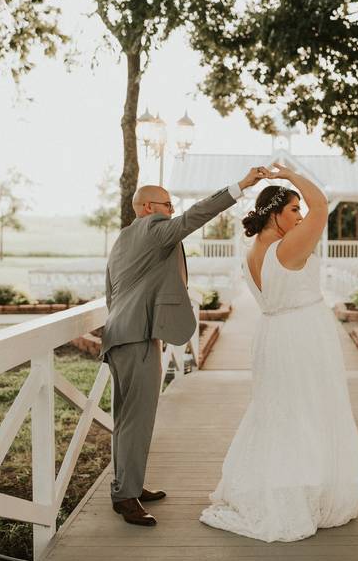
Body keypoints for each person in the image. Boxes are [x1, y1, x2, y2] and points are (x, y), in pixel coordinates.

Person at [199, 163, 358, 542]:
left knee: (278, 410)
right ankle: (301, 493)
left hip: (273, 333)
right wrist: (290, 176)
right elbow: (322, 206)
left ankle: (283, 482)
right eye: (294, 209)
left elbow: (313, 211)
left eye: (299, 211)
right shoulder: (287, 247)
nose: (301, 215)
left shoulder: (252, 251)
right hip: (302, 334)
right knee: (309, 410)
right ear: (274, 213)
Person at [101, 166, 271, 527]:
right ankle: (126, 497)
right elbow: (196, 216)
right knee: (137, 419)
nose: (172, 209)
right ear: (148, 208)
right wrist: (239, 185)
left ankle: (128, 485)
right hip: (137, 336)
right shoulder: (154, 229)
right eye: (166, 203)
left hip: (121, 334)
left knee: (126, 418)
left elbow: (111, 291)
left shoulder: (124, 237)